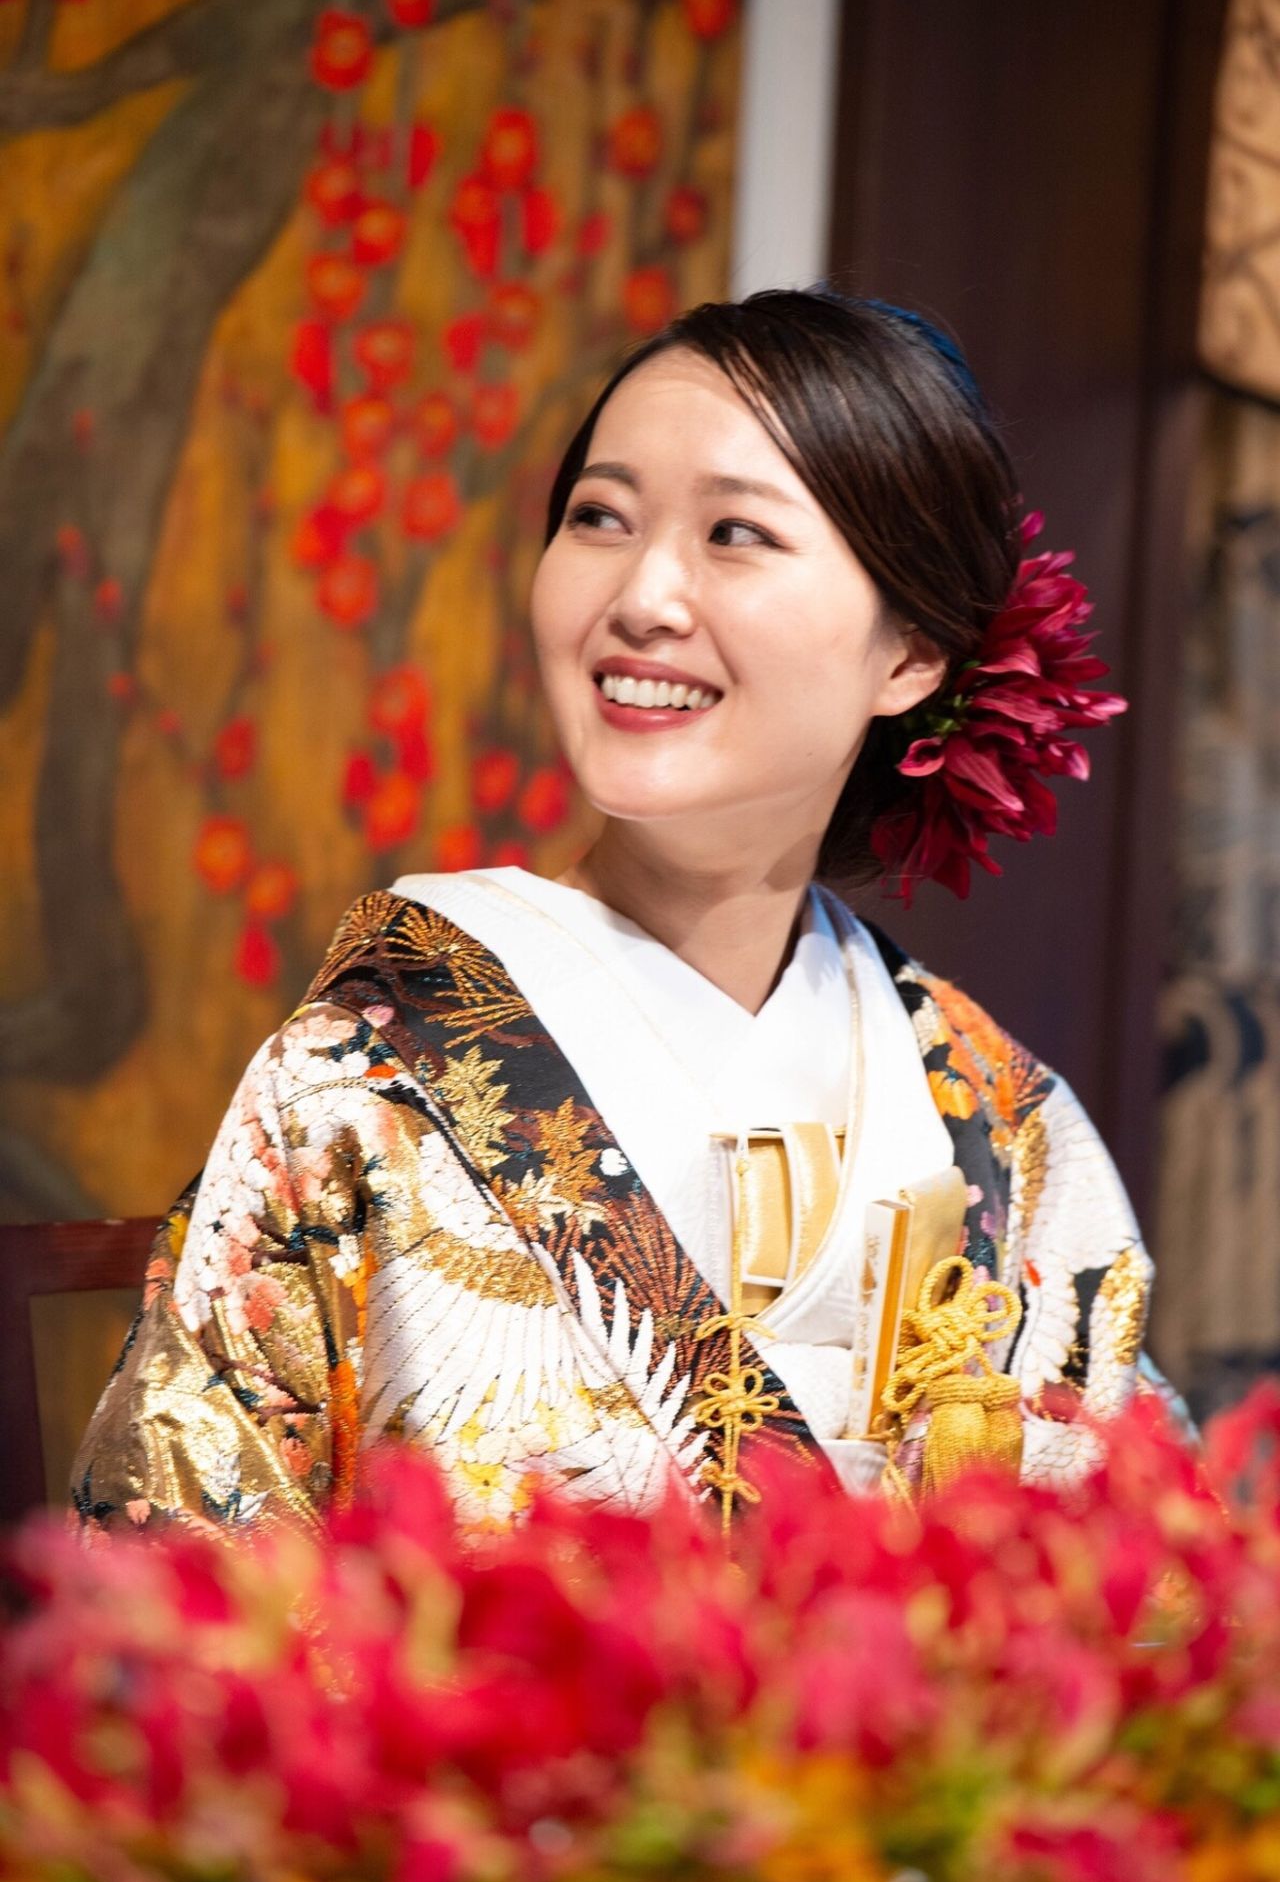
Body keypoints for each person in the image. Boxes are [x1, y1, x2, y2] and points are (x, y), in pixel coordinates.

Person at [71, 286, 1170, 1536]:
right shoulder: (359, 1084)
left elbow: (1143, 1578)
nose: (642, 595)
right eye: (599, 516)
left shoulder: (1007, 1130)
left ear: (911, 654)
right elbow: (179, 1579)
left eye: (735, 533)